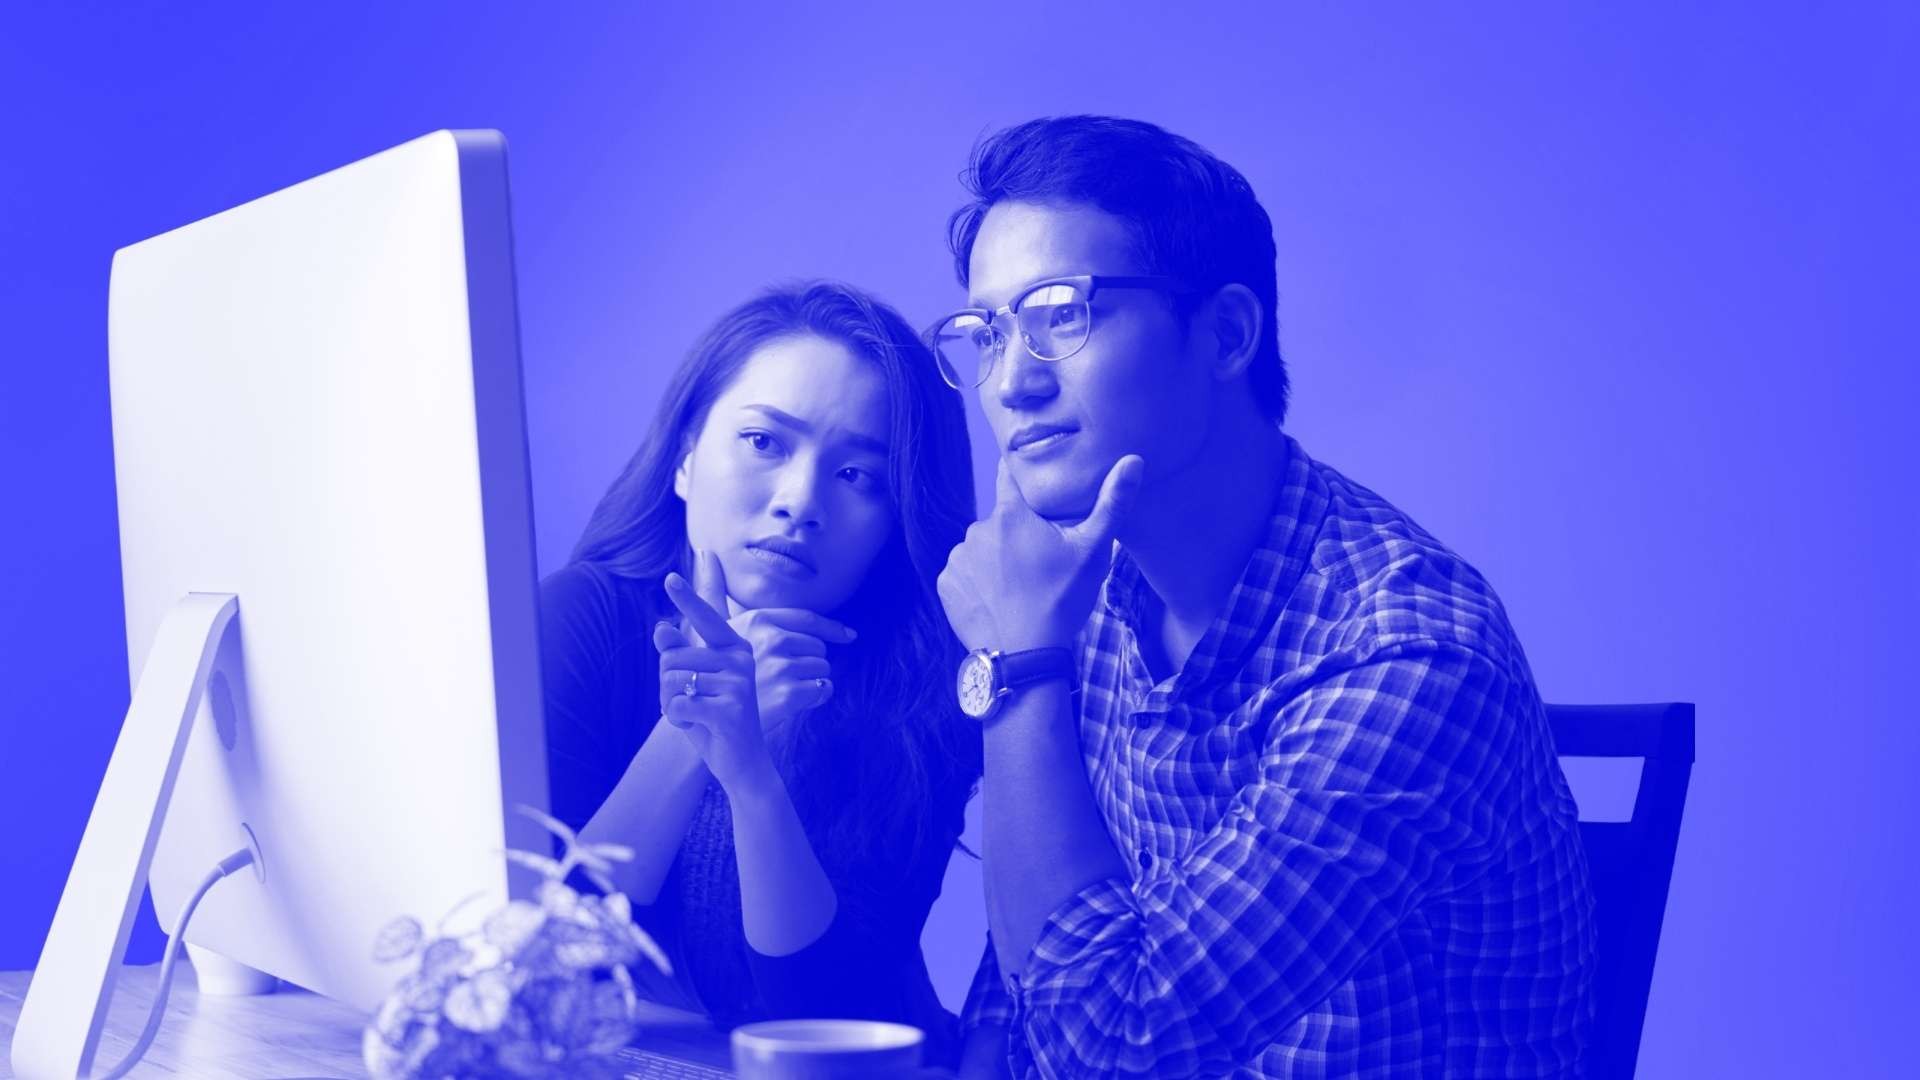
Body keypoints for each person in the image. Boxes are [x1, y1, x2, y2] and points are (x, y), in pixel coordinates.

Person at [930, 117, 1595, 1077]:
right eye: (989, 332)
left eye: (1060, 314)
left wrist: (1020, 668)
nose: (1011, 383)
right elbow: (1034, 965)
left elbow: (1113, 1045)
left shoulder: (1404, 654)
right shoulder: (1092, 586)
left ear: (1229, 333)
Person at [540, 282, 980, 1067]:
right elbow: (543, 953)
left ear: (896, 516)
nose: (799, 502)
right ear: (684, 458)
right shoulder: (583, 620)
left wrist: (750, 775)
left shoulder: (922, 688)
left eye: (858, 478)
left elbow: (822, 1019)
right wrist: (691, 730)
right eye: (764, 443)